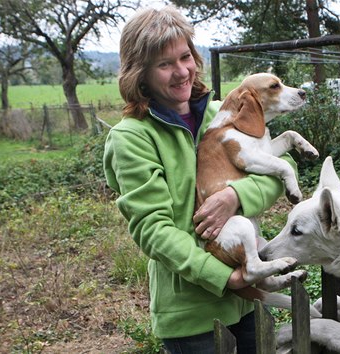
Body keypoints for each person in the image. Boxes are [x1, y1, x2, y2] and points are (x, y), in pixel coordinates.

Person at [102, 5, 296, 354]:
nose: (181, 72)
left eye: (185, 56)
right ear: (140, 74)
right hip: (192, 312)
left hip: (248, 303)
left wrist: (235, 195)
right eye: (164, 64)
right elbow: (153, 229)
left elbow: (275, 171)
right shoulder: (131, 138)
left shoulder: (219, 113)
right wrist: (223, 277)